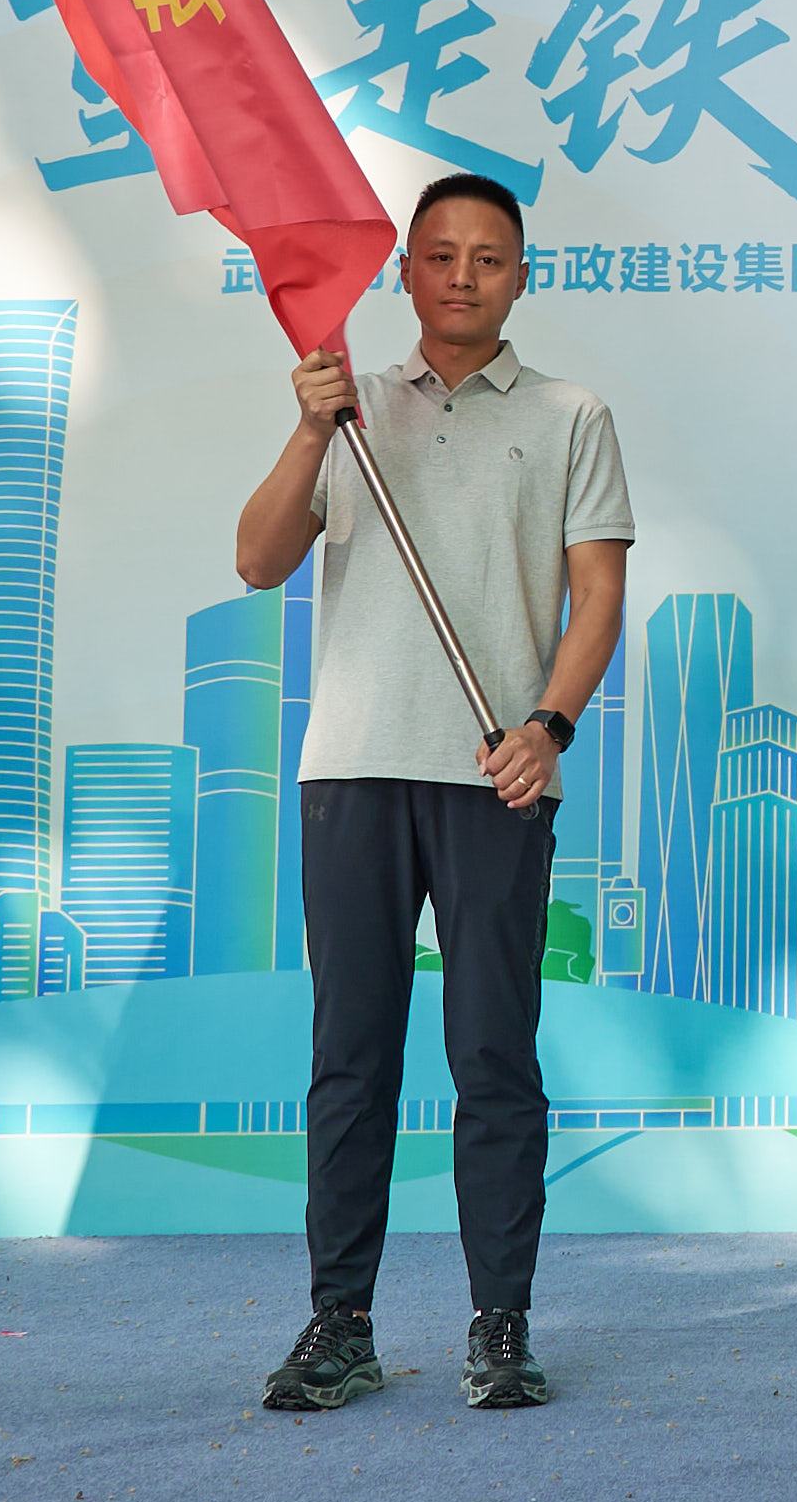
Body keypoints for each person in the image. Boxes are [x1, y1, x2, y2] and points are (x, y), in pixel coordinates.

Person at [233, 175, 634, 1416]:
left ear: (522, 278)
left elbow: (597, 594)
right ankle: (339, 1325)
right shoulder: (348, 408)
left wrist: (548, 728)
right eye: (440, 255)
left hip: (493, 776)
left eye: (489, 258)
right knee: (349, 1061)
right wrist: (311, 429)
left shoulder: (570, 415)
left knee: (492, 1057)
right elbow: (256, 559)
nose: (463, 275)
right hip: (353, 770)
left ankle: (499, 1325)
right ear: (403, 272)